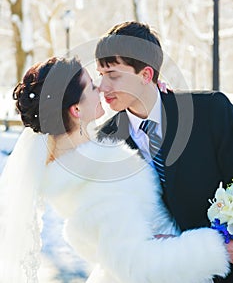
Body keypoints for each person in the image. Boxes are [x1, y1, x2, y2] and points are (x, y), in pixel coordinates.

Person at [0, 56, 230, 283]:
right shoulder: (98, 180)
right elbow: (135, 267)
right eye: (91, 85)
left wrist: (148, 91)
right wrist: (215, 248)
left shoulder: (81, 164)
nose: (100, 88)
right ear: (76, 109)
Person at [95, 21, 233, 283]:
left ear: (146, 75)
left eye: (112, 75)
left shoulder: (211, 111)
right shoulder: (106, 141)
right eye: (100, 75)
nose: (103, 87)